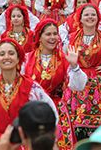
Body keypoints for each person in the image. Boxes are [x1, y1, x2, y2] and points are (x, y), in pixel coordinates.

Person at [0, 38, 58, 149]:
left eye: (11, 53)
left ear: (18, 58)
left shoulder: (32, 87)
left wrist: (40, 138)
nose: (6, 57)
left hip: (25, 142)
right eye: (2, 54)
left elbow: (50, 113)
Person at [62, 3, 101, 140]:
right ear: (80, 19)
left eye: (93, 15)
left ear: (98, 18)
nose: (90, 17)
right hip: (76, 82)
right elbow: (62, 58)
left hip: (98, 85)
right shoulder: (70, 38)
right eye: (86, 15)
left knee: (98, 124)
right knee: (74, 122)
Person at [24, 19, 87, 149]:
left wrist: (74, 66)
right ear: (39, 37)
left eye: (55, 34)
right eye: (48, 34)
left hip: (56, 110)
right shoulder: (26, 58)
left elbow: (79, 86)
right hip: (32, 110)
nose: (53, 38)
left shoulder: (64, 59)